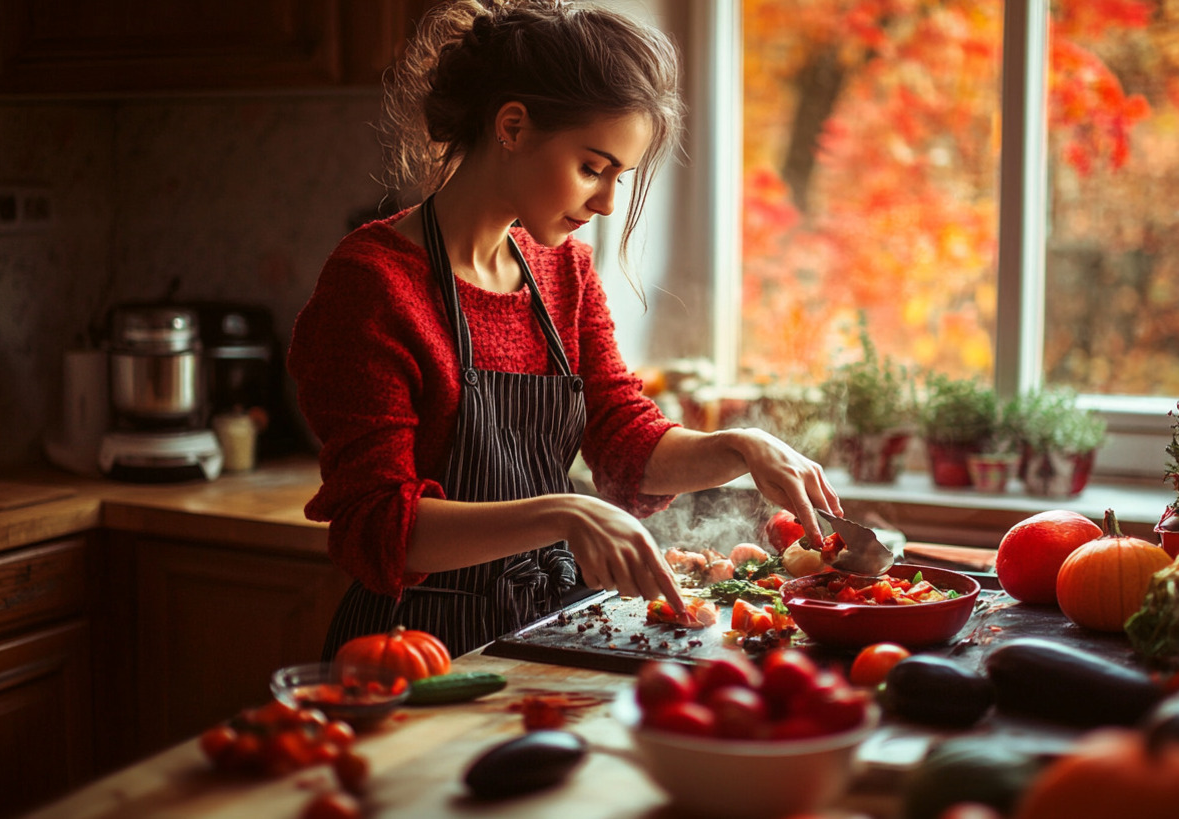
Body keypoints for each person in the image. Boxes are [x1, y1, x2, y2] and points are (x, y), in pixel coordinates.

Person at [288, 0, 841, 659]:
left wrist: (741, 447)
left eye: (618, 177)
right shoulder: (374, 283)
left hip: (546, 630)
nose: (607, 203)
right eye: (591, 168)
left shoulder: (564, 272)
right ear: (514, 127)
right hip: (415, 650)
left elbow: (625, 441)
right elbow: (381, 527)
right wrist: (564, 512)